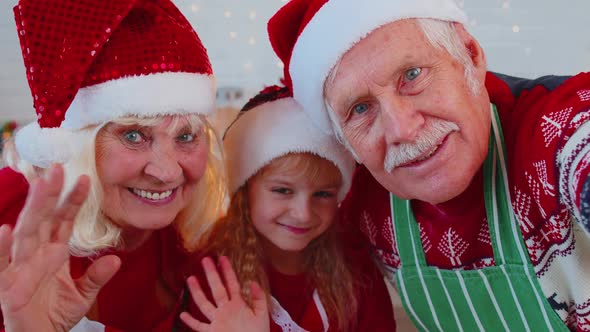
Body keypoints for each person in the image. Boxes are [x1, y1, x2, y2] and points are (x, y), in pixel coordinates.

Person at [267, 0, 590, 330]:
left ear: (470, 54)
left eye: (411, 75)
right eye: (361, 109)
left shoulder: (557, 128)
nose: (402, 130)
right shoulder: (362, 205)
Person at [0, 0, 226, 331]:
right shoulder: (11, 217)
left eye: (187, 135)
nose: (168, 173)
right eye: (133, 136)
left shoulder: (188, 235)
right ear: (77, 145)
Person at [178, 86, 395, 332]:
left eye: (323, 194)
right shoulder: (211, 275)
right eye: (282, 191)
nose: (303, 213)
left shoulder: (354, 267)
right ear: (244, 189)